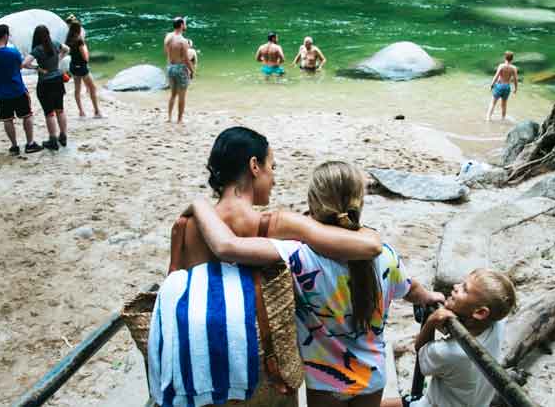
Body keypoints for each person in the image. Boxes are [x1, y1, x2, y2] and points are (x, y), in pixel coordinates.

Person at [157, 128, 390, 405]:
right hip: (262, 363)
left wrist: (199, 205)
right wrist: (371, 235)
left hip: (202, 362)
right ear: (254, 166)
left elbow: (176, 289)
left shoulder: (187, 226)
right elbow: (364, 246)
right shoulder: (277, 225)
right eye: (272, 167)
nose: (274, 178)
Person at [190, 160, 444, 406]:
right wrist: (428, 297)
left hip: (324, 379)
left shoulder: (297, 255)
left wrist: (200, 206)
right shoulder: (384, 254)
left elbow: (227, 247)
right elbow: (410, 288)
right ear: (359, 202)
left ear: (313, 202)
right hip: (372, 375)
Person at [380, 270, 516, 407]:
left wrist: (431, 322)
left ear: (480, 312)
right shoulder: (496, 324)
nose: (456, 286)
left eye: (464, 289)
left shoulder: (449, 353)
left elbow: (420, 352)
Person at [0, 24, 42, 155]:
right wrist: (36, 68)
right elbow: (21, 65)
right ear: (5, 36)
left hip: (0, 92)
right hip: (17, 89)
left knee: (7, 120)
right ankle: (30, 143)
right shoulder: (13, 52)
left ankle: (14, 146)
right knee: (27, 116)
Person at [24, 25, 69, 151]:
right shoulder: (55, 43)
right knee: (60, 109)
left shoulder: (38, 49)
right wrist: (58, 60)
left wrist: (37, 68)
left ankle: (53, 139)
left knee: (49, 113)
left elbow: (25, 63)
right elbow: (66, 49)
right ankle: (63, 136)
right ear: (48, 34)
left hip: (45, 83)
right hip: (58, 80)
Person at [64, 15, 103, 118]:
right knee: (93, 88)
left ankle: (81, 112)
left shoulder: (68, 39)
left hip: (73, 66)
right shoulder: (79, 40)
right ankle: (97, 111)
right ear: (79, 29)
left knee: (77, 90)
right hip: (82, 67)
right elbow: (86, 58)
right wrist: (85, 47)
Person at [164, 17, 194, 123]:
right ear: (181, 25)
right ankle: (179, 119)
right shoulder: (183, 41)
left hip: (170, 67)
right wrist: (192, 71)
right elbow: (186, 59)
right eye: (185, 23)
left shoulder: (168, 37)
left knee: (173, 94)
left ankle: (169, 117)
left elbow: (166, 53)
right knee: (182, 95)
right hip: (180, 68)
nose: (186, 25)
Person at [485, 51, 519, 121]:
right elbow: (515, 79)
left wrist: (492, 85)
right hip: (507, 87)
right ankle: (503, 118)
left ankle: (488, 118)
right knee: (504, 104)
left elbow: (496, 76)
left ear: (505, 58)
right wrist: (516, 88)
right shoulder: (514, 68)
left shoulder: (501, 66)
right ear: (512, 59)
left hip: (499, 86)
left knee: (493, 103)